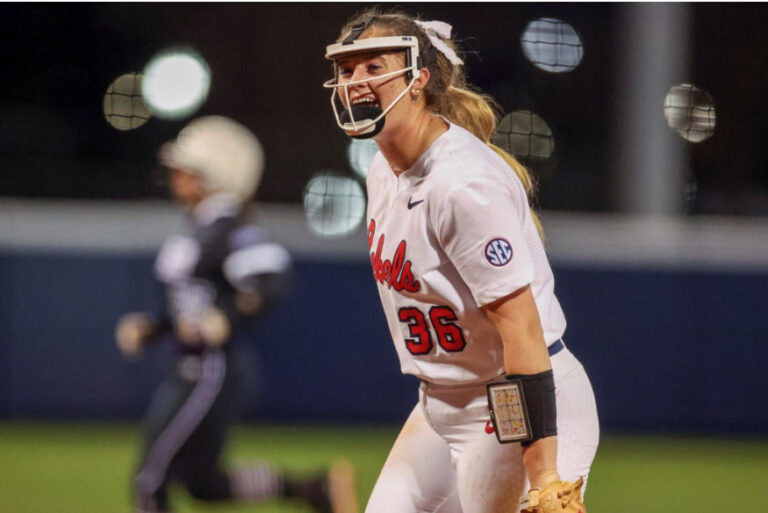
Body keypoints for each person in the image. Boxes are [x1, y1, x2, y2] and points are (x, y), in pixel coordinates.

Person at [322, 10, 599, 513]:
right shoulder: (384, 169)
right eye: (346, 69)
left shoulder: (462, 182)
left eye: (373, 66)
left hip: (513, 399)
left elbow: (522, 329)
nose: (355, 81)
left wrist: (544, 476)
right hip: (441, 404)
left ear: (418, 79)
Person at [115, 115, 357, 513]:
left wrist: (228, 317)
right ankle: (312, 489)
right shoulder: (201, 226)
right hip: (192, 368)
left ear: (214, 174)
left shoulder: (227, 228)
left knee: (149, 480)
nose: (174, 177)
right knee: (202, 484)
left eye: (185, 169)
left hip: (209, 370)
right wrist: (154, 327)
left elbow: (271, 277)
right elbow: (192, 301)